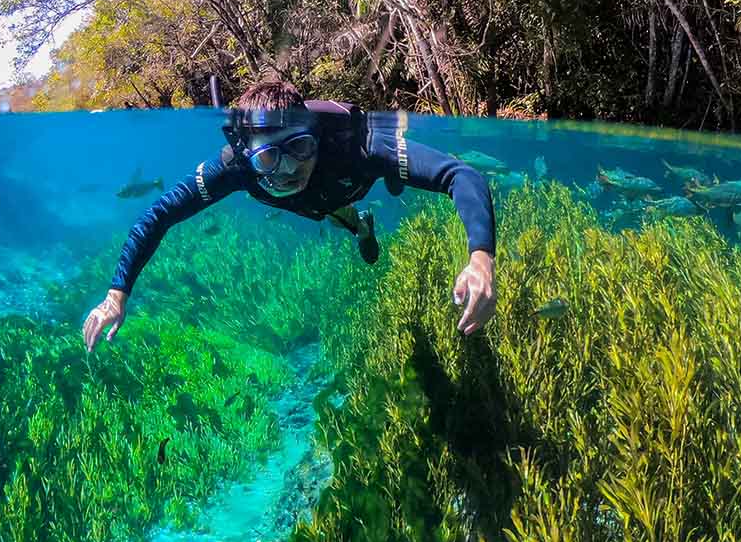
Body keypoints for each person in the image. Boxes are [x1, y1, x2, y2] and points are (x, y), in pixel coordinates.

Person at [82, 80, 497, 351]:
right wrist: (116, 295)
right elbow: (159, 214)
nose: (288, 170)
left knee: (391, 175)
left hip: (355, 180)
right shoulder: (233, 167)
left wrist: (481, 259)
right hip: (321, 204)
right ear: (248, 156)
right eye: (267, 158)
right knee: (334, 212)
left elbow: (460, 173)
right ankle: (359, 227)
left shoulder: (359, 145)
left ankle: (383, 192)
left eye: (298, 148)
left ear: (316, 136)